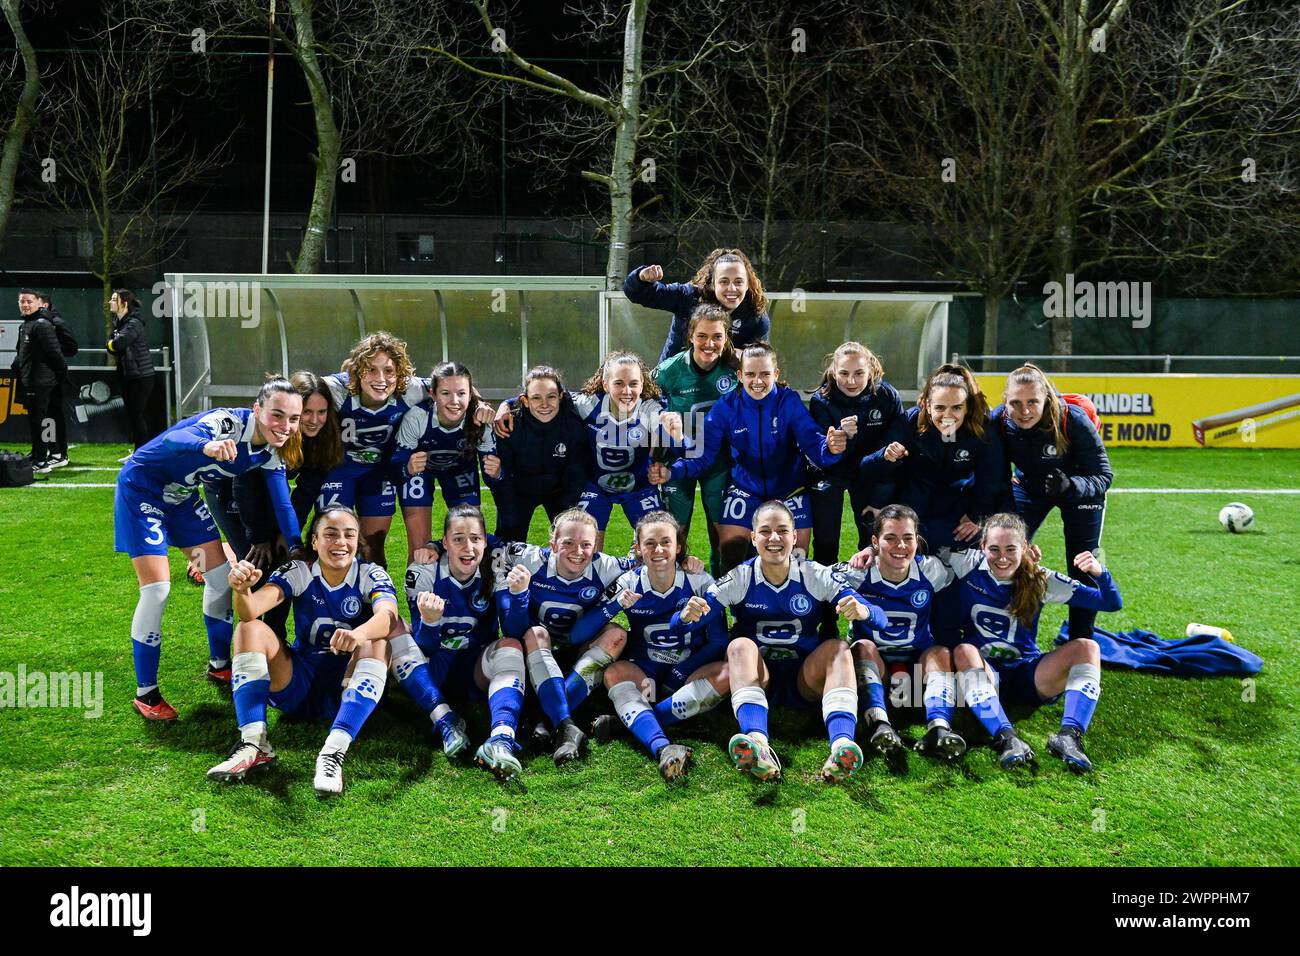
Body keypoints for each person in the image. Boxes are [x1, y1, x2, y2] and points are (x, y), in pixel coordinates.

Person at [113, 377, 304, 720]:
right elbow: (174, 438)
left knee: (220, 578)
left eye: (293, 419)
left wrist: (297, 551)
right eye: (277, 415)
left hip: (181, 499)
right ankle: (147, 694)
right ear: (256, 409)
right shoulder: (227, 423)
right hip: (142, 491)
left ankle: (220, 664)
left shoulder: (271, 452)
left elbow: (283, 505)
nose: (285, 426)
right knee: (157, 589)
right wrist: (208, 447)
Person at [206, 506, 403, 796]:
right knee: (249, 628)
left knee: (377, 642)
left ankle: (333, 753)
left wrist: (358, 634)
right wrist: (242, 590)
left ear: (358, 540)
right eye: (330, 534)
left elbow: (388, 617)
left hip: (347, 685)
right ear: (314, 541)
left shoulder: (370, 574)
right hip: (299, 682)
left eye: (349, 535)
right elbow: (251, 611)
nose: (340, 543)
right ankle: (254, 744)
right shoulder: (300, 571)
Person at [695, 500, 888, 783]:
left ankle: (841, 747)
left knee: (838, 649)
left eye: (783, 530)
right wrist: (687, 615)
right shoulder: (739, 578)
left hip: (805, 678)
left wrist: (865, 610)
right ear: (753, 537)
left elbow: (879, 618)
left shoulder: (814, 574)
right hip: (759, 679)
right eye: (765, 531)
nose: (774, 538)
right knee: (739, 646)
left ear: (795, 536)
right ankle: (758, 744)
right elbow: (690, 620)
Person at [947, 512, 1121, 773]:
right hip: (985, 673)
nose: (1002, 557)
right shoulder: (965, 564)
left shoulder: (1040, 579)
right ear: (982, 546)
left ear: (1025, 547)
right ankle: (1007, 739)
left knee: (1088, 647)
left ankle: (1069, 737)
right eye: (994, 549)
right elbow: (910, 558)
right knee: (964, 650)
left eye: (1010, 549)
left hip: (1028, 674)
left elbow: (1110, 602)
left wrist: (1100, 573)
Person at [652, 341, 847, 571]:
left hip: (789, 489)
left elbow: (814, 445)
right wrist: (672, 468)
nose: (758, 381)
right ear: (740, 375)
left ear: (776, 374)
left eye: (765, 374)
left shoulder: (788, 401)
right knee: (731, 554)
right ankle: (740, 607)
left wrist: (831, 448)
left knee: (795, 559)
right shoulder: (727, 407)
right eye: (751, 374)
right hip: (745, 488)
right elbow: (702, 456)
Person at [568, 511, 729, 781]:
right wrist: (616, 606)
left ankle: (629, 722)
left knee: (728, 673)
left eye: (666, 542)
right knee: (614, 673)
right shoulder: (629, 582)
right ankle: (660, 745)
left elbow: (718, 641)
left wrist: (679, 674)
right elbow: (577, 635)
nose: (658, 550)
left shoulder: (700, 581)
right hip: (647, 675)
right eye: (650, 543)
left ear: (678, 546)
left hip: (690, 671)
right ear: (639, 549)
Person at [496, 351, 683, 553]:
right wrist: (507, 405)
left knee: (659, 540)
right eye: (618, 383)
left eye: (634, 384)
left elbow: (685, 444)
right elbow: (548, 394)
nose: (627, 391)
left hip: (639, 485)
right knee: (585, 546)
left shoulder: (650, 409)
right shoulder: (588, 404)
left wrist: (674, 429)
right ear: (605, 384)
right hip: (596, 486)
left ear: (642, 385)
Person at [396, 505, 529, 781]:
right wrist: (430, 621)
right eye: (458, 539)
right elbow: (425, 647)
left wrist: (518, 596)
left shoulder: (495, 565)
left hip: (477, 669)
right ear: (444, 543)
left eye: (475, 538)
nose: (468, 547)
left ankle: (502, 740)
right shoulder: (423, 571)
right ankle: (445, 721)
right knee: (393, 630)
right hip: (435, 669)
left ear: (485, 541)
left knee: (512, 646)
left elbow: (513, 631)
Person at [495, 508, 633, 765]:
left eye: (586, 544)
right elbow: (492, 547)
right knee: (537, 632)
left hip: (577, 646)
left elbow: (646, 559)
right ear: (553, 543)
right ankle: (565, 721)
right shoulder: (530, 559)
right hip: (536, 648)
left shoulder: (605, 566)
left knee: (616, 634)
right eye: (568, 542)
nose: (577, 551)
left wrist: (685, 562)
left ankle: (543, 718)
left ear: (595, 547)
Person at [991, 363, 1113, 641]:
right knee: (1006, 553)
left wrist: (1072, 486)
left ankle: (1080, 642)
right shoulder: (998, 421)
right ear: (1005, 401)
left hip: (1080, 490)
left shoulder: (1073, 419)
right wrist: (1014, 529)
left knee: (1083, 563)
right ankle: (1005, 637)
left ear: (1046, 398)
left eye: (1032, 401)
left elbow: (1104, 475)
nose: (1024, 411)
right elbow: (994, 479)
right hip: (1028, 487)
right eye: (1016, 403)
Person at [840, 504, 967, 767]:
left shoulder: (931, 570)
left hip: (917, 674)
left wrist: (1023, 555)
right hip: (876, 672)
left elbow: (979, 568)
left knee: (941, 652)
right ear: (875, 542)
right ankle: (879, 724)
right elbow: (813, 578)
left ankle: (939, 727)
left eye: (907, 538)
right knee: (861, 645)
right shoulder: (857, 573)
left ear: (917, 539)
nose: (901, 546)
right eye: (890, 538)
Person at [807, 341, 902, 638]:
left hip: (871, 475)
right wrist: (838, 441)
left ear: (871, 370)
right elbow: (822, 455)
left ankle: (869, 620)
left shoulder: (886, 396)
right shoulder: (822, 401)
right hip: (832, 474)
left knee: (873, 547)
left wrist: (876, 472)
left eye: (859, 373)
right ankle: (826, 623)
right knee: (824, 549)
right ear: (833, 372)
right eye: (844, 373)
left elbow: (893, 449)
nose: (851, 381)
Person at [319, 332, 427, 568]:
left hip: (380, 473)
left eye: (388, 370)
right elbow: (298, 389)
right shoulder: (337, 389)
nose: (381, 378)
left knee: (373, 546)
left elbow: (452, 383)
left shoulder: (411, 390)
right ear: (357, 372)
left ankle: (373, 602)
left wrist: (483, 404)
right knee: (334, 545)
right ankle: (334, 600)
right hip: (340, 470)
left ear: (399, 373)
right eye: (371, 369)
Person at [651, 303, 740, 577]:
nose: (709, 343)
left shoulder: (736, 368)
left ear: (726, 339)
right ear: (690, 335)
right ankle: (674, 594)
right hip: (678, 461)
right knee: (675, 533)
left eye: (717, 336)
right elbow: (645, 406)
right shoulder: (669, 370)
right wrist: (655, 453)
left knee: (722, 534)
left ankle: (721, 594)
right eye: (702, 335)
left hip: (718, 462)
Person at [391, 361, 495, 563]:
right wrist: (406, 468)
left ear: (470, 395)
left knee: (469, 542)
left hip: (460, 470)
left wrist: (497, 473)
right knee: (419, 548)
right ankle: (417, 594)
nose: (454, 400)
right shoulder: (417, 418)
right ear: (432, 394)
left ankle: (466, 593)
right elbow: (394, 469)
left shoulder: (481, 421)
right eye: (446, 393)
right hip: (421, 473)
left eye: (461, 393)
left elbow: (497, 480)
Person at [480, 365, 590, 541]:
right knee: (509, 538)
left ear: (560, 397)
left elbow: (576, 473)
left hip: (559, 489)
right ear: (524, 400)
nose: (544, 404)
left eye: (551, 397)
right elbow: (501, 479)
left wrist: (568, 511)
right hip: (519, 490)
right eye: (536, 398)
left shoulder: (573, 424)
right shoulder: (509, 425)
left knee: (570, 537)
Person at [623, 248, 771, 364]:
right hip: (675, 385)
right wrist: (641, 277)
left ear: (747, 284)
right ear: (712, 283)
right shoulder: (690, 297)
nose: (732, 289)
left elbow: (760, 361)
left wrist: (740, 356)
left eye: (738, 282)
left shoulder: (756, 316)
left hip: (722, 389)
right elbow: (640, 294)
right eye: (724, 281)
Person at [12, 288, 68, 474]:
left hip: (41, 382)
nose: (25, 305)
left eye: (29, 301)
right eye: (22, 301)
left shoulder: (42, 324)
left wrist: (57, 375)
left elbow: (55, 354)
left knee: (41, 421)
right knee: (37, 420)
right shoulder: (27, 325)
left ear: (38, 303)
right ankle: (38, 454)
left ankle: (42, 461)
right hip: (30, 380)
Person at [107, 289, 156, 456]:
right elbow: (113, 345)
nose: (110, 302)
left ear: (124, 303)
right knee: (133, 415)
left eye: (114, 299)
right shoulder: (119, 322)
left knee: (136, 415)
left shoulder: (133, 323)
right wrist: (112, 344)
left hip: (141, 376)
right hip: (129, 375)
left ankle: (142, 453)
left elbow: (118, 344)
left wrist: (111, 344)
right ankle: (139, 450)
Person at [36, 291, 76, 468]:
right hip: (42, 377)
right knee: (46, 416)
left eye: (31, 302)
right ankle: (50, 450)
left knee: (53, 415)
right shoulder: (37, 323)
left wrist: (54, 355)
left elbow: (72, 347)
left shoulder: (57, 323)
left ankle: (59, 452)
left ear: (43, 305)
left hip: (53, 377)